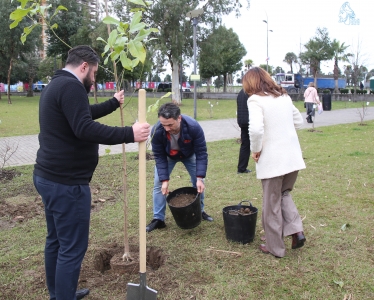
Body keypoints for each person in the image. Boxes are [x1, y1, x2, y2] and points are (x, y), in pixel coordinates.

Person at [33, 45, 150, 300]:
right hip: (67, 184)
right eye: (94, 73)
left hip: (48, 177)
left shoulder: (56, 84)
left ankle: (58, 294)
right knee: (72, 248)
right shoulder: (71, 87)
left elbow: (79, 114)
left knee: (56, 241)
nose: (94, 79)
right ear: (84, 67)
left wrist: (112, 104)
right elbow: (84, 127)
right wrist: (129, 133)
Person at [242, 67, 306, 258]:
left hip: (273, 161)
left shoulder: (255, 100)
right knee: (283, 194)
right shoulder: (283, 96)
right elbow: (299, 121)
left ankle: (275, 247)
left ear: (250, 83)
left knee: (271, 204)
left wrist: (256, 150)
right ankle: (296, 230)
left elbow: (255, 130)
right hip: (292, 158)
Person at [146, 103, 213, 232]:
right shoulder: (157, 130)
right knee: (158, 184)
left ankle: (200, 211)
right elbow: (159, 157)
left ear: (179, 118)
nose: (166, 128)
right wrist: (165, 180)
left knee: (199, 183)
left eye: (170, 125)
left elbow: (201, 153)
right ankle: (158, 219)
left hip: (189, 154)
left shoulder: (193, 127)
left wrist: (200, 177)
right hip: (168, 156)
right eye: (163, 124)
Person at [236, 89, 251, 174]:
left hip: (242, 121)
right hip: (249, 121)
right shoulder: (251, 92)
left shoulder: (241, 92)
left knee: (245, 145)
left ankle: (241, 168)